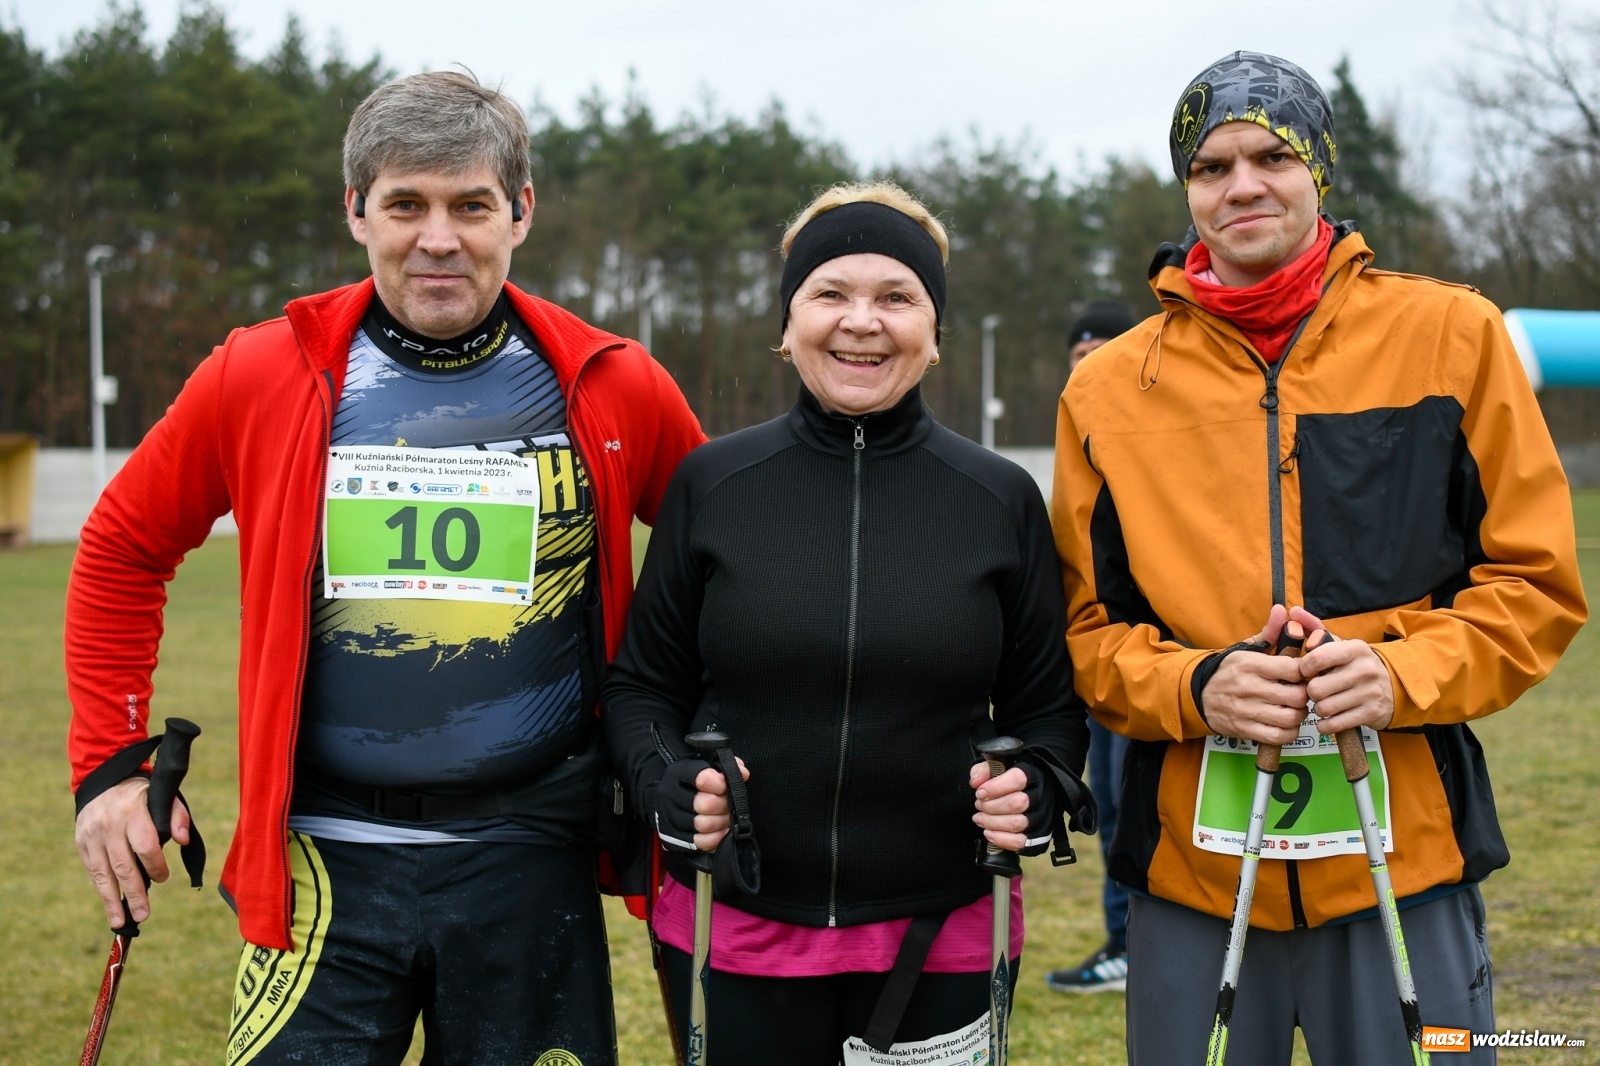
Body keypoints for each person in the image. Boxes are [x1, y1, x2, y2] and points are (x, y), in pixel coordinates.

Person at [66, 70, 704, 1065]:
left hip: (533, 860)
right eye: (406, 204)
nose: (437, 238)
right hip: (320, 869)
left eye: (471, 206)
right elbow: (122, 546)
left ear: (521, 212)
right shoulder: (258, 371)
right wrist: (110, 767)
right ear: (356, 211)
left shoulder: (614, 381)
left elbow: (727, 557)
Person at [1051, 51, 1586, 1065]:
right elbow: (1083, 632)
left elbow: (1534, 584)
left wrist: (1398, 671)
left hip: (1405, 862)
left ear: (1320, 170)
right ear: (1186, 189)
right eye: (1211, 167)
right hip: (1193, 880)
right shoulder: (1108, 388)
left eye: (1273, 157)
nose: (1241, 186)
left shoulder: (1453, 334)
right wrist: (1196, 686)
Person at [603, 180, 1095, 1064]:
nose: (862, 322)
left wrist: (1037, 786)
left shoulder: (999, 498)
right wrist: (663, 780)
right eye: (830, 292)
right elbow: (642, 687)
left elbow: (1049, 712)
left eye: (897, 297)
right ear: (788, 323)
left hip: (943, 928)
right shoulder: (713, 484)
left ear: (934, 333)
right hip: (737, 918)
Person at [1043, 299, 1138, 996]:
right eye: (1078, 357)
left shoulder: (1156, 434)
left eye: (1100, 351)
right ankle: (1124, 942)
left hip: (1158, 663)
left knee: (1139, 809)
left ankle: (1140, 944)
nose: (1088, 367)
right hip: (1097, 661)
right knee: (1106, 805)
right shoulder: (1077, 436)